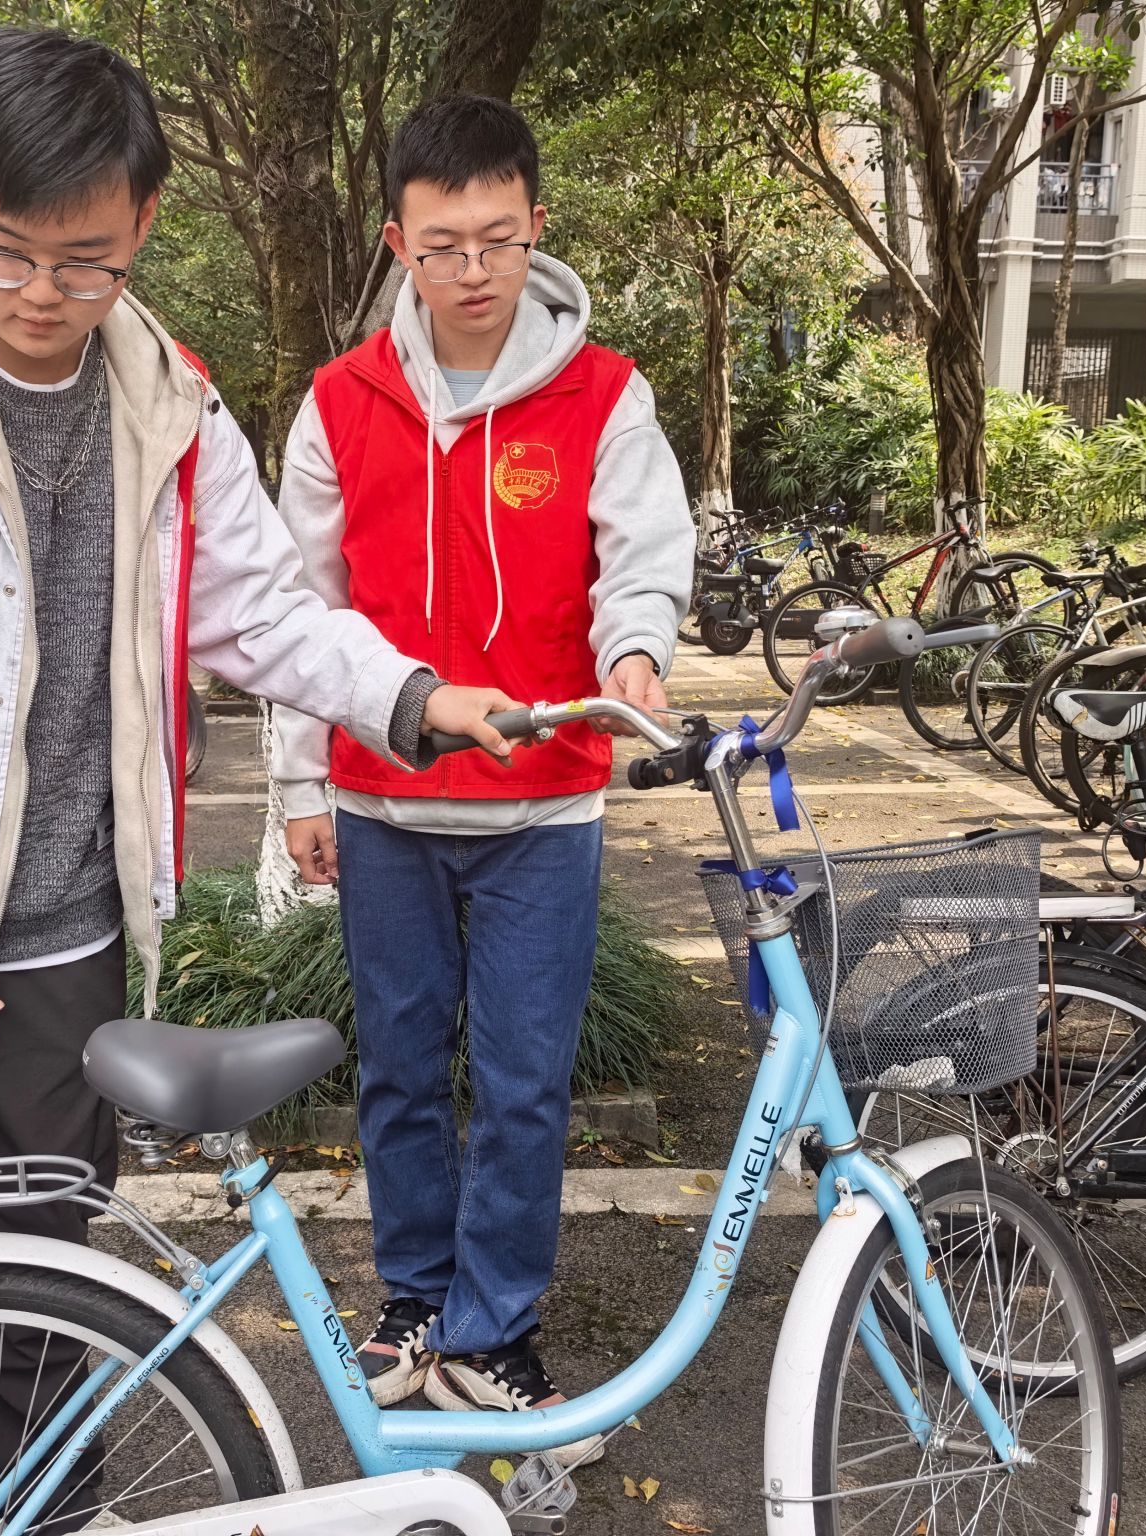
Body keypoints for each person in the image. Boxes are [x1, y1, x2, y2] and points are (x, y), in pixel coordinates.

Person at [0, 27, 514, 1528]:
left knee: (43, 1325)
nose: (40, 300)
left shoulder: (171, 401)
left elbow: (264, 611)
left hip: (62, 949)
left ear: (142, 225)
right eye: (0, 255)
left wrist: (415, 696)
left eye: (83, 264)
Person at [271, 95, 694, 1462]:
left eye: (497, 239)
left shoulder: (603, 392)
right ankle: (411, 1302)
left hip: (544, 808)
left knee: (520, 1080)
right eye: (441, 241)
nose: (471, 269)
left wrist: (635, 658)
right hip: (380, 807)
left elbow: (639, 557)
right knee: (399, 1069)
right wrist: (292, 790)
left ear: (536, 232)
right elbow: (299, 613)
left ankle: (496, 1329)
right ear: (397, 241)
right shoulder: (342, 403)